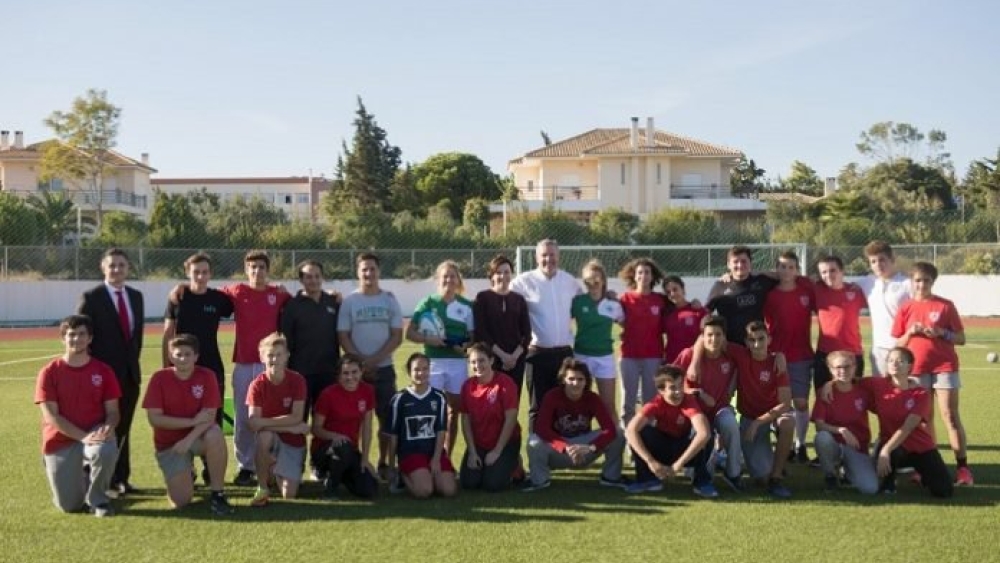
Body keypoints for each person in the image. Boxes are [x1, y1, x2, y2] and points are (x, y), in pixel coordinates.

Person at [892, 261, 971, 486]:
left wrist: (941, 333)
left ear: (932, 282)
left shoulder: (945, 306)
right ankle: (926, 467)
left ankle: (963, 469)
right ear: (911, 282)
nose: (921, 285)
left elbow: (961, 338)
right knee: (924, 421)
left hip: (944, 367)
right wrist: (910, 332)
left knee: (951, 416)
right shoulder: (905, 308)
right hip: (916, 369)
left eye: (926, 280)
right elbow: (898, 341)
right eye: (917, 280)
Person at [35, 315, 120, 517]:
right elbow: (52, 417)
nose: (77, 339)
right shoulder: (49, 372)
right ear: (63, 338)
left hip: (93, 433)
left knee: (105, 449)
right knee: (70, 506)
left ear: (90, 338)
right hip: (61, 439)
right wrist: (82, 437)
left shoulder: (103, 371)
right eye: (71, 335)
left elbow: (113, 412)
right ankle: (75, 470)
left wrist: (108, 427)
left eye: (82, 334)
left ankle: (99, 500)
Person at [76, 247, 144, 496]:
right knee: (102, 428)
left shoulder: (136, 297)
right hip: (100, 378)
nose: (117, 269)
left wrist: (132, 368)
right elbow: (82, 337)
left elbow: (137, 338)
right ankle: (97, 479)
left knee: (124, 428)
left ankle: (121, 478)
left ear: (128, 268)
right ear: (103, 268)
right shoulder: (91, 297)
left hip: (129, 376)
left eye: (121, 265)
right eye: (112, 265)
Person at [143, 334, 235, 514]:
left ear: (196, 356)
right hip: (170, 445)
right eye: (178, 354)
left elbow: (209, 417)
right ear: (170, 357)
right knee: (181, 501)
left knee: (215, 434)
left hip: (196, 439)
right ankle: (187, 470)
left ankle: (218, 494)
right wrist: (191, 422)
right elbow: (155, 419)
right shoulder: (159, 378)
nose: (183, 359)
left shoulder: (207, 376)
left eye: (187, 354)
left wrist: (189, 439)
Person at [338, 252, 403, 480]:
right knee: (353, 418)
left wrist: (374, 360)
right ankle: (353, 462)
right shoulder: (350, 302)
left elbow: (397, 336)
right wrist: (361, 363)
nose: (368, 273)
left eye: (372, 268)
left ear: (379, 271)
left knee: (386, 420)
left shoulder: (389, 299)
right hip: (356, 374)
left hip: (384, 369)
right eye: (364, 269)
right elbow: (343, 336)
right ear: (358, 272)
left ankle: (384, 462)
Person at [523, 358, 626, 492]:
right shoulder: (552, 396)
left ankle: (611, 478)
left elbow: (609, 429)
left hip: (584, 449)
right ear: (563, 380)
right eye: (571, 379)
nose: (575, 383)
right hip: (560, 451)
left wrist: (590, 447)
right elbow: (542, 429)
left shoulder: (592, 398)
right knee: (534, 441)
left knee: (618, 433)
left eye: (580, 379)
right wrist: (565, 447)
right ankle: (539, 481)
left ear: (586, 381)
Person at [510, 239, 581, 430]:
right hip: (537, 354)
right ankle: (537, 451)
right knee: (538, 405)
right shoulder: (523, 282)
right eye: (544, 255)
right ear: (536, 257)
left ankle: (563, 449)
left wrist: (609, 296)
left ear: (558, 256)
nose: (548, 259)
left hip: (565, 354)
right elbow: (504, 300)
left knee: (565, 404)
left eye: (552, 255)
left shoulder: (569, 281)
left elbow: (587, 302)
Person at [406, 260, 474, 455]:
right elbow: (410, 333)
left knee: (454, 411)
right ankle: (425, 454)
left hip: (457, 363)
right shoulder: (427, 303)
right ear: (438, 279)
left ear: (458, 279)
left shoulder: (467, 306)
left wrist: (465, 348)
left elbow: (473, 338)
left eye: (453, 276)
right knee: (430, 409)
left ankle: (447, 456)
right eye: (445, 276)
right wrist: (431, 339)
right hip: (433, 362)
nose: (449, 280)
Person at [280, 259, 341, 480]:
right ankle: (295, 465)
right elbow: (285, 342)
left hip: (329, 373)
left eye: (316, 276)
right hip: (301, 374)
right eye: (308, 276)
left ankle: (320, 465)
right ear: (301, 280)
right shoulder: (292, 307)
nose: (313, 280)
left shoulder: (333, 302)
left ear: (322, 278)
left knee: (323, 423)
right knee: (297, 423)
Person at [866, 348, 953, 497]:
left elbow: (907, 427)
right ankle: (888, 484)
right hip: (895, 449)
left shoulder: (920, 393)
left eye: (900, 361)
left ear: (909, 366)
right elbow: (850, 382)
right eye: (891, 360)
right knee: (892, 450)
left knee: (943, 491)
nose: (895, 364)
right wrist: (830, 385)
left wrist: (885, 450)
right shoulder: (877, 384)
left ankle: (924, 475)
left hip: (919, 447)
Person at [162, 253, 234, 426]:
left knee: (213, 421)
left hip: (212, 365)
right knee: (181, 417)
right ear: (187, 272)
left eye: (205, 272)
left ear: (210, 274)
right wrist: (166, 367)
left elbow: (242, 300)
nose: (201, 276)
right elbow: (167, 334)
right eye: (196, 272)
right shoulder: (178, 298)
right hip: (181, 365)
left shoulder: (219, 299)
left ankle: (210, 452)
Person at [624, 365, 716, 498]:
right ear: (661, 390)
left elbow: (704, 433)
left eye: (680, 386)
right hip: (662, 449)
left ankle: (701, 482)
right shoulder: (655, 404)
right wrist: (651, 462)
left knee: (707, 433)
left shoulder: (689, 401)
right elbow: (630, 431)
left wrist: (679, 464)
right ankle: (647, 479)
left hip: (682, 449)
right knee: (641, 432)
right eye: (673, 388)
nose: (679, 392)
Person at [675, 316, 743, 491]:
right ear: (702, 336)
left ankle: (733, 473)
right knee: (694, 474)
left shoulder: (732, 354)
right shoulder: (688, 355)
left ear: (724, 336)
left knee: (730, 424)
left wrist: (779, 357)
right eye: (709, 335)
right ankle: (704, 466)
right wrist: (696, 393)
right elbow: (671, 384)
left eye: (718, 334)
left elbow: (756, 352)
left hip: (720, 408)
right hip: (694, 413)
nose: (714, 339)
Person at [728, 321, 794, 499]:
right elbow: (706, 338)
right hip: (749, 417)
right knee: (760, 478)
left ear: (769, 339)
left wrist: (758, 422)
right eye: (752, 340)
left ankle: (777, 477)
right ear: (746, 342)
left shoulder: (776, 363)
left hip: (771, 416)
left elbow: (785, 404)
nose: (756, 344)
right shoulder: (740, 355)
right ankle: (769, 467)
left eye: (761, 339)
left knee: (787, 422)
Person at [761, 251, 815, 463]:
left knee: (801, 402)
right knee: (781, 404)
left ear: (797, 270)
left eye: (791, 267)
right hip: (776, 356)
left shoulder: (806, 290)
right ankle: (783, 441)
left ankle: (800, 444)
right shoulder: (771, 294)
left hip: (801, 355)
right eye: (782, 267)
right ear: (777, 269)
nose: (786, 271)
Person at [246, 333, 309, 506]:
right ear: (261, 357)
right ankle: (262, 487)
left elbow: (296, 416)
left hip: (293, 442)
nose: (274, 359)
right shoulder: (256, 385)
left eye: (279, 354)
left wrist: (266, 423)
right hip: (280, 435)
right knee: (263, 437)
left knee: (289, 495)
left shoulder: (297, 380)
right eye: (270, 355)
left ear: (287, 356)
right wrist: (290, 427)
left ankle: (275, 468)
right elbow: (253, 423)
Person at [387, 353, 458, 498]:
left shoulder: (439, 397)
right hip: (411, 453)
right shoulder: (399, 399)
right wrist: (391, 465)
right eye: (416, 370)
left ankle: (427, 474)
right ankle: (403, 474)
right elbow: (393, 435)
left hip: (432, 452)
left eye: (425, 369)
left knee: (449, 490)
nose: (421, 373)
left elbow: (440, 430)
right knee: (425, 491)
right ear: (409, 372)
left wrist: (437, 458)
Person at [312, 354, 379, 500]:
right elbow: (316, 429)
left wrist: (365, 459)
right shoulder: (328, 394)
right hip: (325, 449)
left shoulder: (367, 391)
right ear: (338, 375)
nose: (350, 377)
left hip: (351, 449)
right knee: (343, 446)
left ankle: (341, 475)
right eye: (345, 373)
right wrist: (335, 436)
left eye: (354, 372)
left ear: (361, 372)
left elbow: (367, 427)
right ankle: (330, 488)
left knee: (369, 489)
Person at [810, 351, 878, 494]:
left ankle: (848, 473)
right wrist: (841, 430)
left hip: (858, 447)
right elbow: (819, 425)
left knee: (870, 488)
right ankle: (831, 476)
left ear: (854, 367)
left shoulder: (864, 388)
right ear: (831, 369)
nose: (843, 371)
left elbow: (889, 382)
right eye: (838, 367)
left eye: (847, 366)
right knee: (822, 438)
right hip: (835, 446)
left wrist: (911, 381)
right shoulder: (825, 391)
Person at [458, 343, 520, 492]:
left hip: (504, 443)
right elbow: (465, 420)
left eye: (482, 360)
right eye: (473, 362)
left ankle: (516, 465)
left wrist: (497, 451)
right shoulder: (467, 386)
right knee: (468, 483)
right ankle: (491, 464)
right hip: (480, 444)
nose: (477, 365)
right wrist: (472, 452)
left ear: (491, 361)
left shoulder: (505, 383)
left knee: (492, 485)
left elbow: (511, 419)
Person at [617, 257, 668, 427]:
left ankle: (648, 440)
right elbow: (610, 315)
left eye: (647, 272)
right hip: (628, 356)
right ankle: (628, 443)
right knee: (628, 402)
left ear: (652, 276)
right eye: (640, 272)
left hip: (653, 357)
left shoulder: (660, 300)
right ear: (634, 275)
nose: (643, 276)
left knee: (650, 402)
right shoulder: (624, 299)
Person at [570, 260, 623, 420]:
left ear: (603, 280)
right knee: (580, 404)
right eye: (588, 280)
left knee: (608, 406)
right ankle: (581, 440)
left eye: (596, 280)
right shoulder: (578, 302)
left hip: (605, 358)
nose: (592, 284)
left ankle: (613, 443)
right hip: (581, 357)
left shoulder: (613, 304)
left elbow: (627, 324)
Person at [473, 254, 531, 396]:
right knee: (491, 402)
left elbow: (527, 334)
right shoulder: (482, 298)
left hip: (516, 361)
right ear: (492, 276)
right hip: (491, 360)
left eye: (506, 272)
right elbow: (481, 332)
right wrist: (502, 356)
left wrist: (513, 357)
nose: (502, 276)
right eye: (498, 272)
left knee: (511, 403)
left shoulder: (519, 300)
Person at [856, 240, 911, 376]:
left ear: (892, 259)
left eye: (882, 260)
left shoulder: (907, 284)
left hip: (903, 346)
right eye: (873, 261)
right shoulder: (867, 283)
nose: (878, 264)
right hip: (879, 348)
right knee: (882, 393)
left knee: (904, 391)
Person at [813, 255, 867, 390]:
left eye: (832, 270)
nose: (828, 275)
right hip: (825, 353)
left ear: (842, 271)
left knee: (851, 397)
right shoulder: (816, 290)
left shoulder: (856, 291)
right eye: (823, 272)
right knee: (823, 395)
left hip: (852, 353)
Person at [706, 245, 778, 344]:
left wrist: (758, 271)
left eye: (744, 261)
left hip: (756, 346)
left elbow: (785, 276)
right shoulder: (720, 286)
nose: (740, 265)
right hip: (730, 347)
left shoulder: (761, 281)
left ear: (750, 263)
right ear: (728, 265)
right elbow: (705, 313)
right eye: (735, 262)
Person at [661, 275, 707, 365]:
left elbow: (706, 335)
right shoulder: (665, 313)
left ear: (683, 289)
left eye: (675, 289)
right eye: (668, 292)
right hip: (672, 361)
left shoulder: (698, 310)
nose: (672, 294)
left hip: (694, 361)